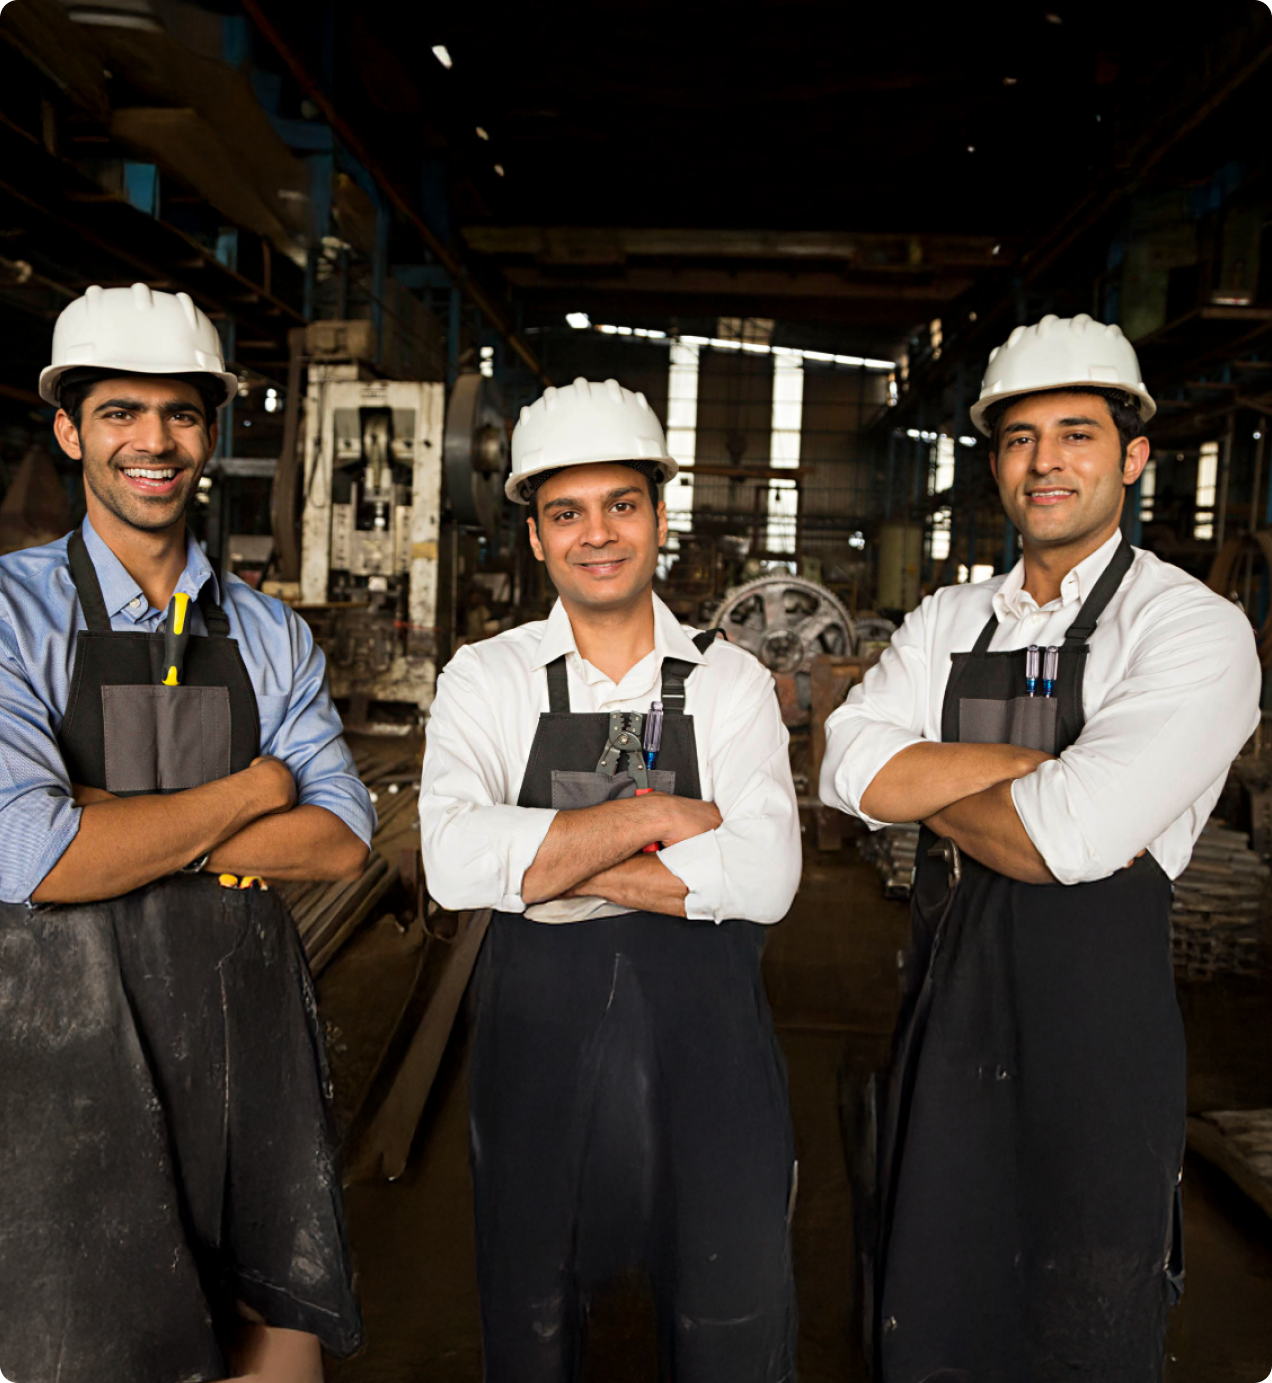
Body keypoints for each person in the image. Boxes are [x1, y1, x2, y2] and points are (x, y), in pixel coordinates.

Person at [820, 314, 1262, 1381]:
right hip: (944, 1005)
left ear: (1135, 456)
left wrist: (938, 778)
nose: (1047, 462)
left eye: (1077, 433)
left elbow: (1066, 840)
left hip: (1094, 1042)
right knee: (925, 1306)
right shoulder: (953, 618)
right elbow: (845, 766)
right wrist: (1037, 775)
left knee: (1084, 1319)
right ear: (997, 465)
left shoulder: (1188, 630)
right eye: (1022, 439)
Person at [0, 284, 374, 1383]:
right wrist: (250, 789)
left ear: (208, 433)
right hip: (60, 1055)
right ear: (71, 431)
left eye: (179, 414)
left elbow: (343, 835)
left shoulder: (266, 632)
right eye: (120, 412)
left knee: (272, 1336)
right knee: (84, 1342)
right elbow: (34, 856)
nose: (152, 443)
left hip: (242, 1049)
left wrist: (120, 827)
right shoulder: (12, 618)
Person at [418, 377, 802, 1383]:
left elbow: (764, 877)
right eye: (567, 513)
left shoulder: (731, 682)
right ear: (537, 536)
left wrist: (542, 867)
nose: (597, 534)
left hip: (709, 1055)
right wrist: (655, 823)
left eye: (620, 505)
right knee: (534, 1315)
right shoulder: (486, 678)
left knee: (729, 1315)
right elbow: (456, 864)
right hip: (535, 1054)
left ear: (659, 518)